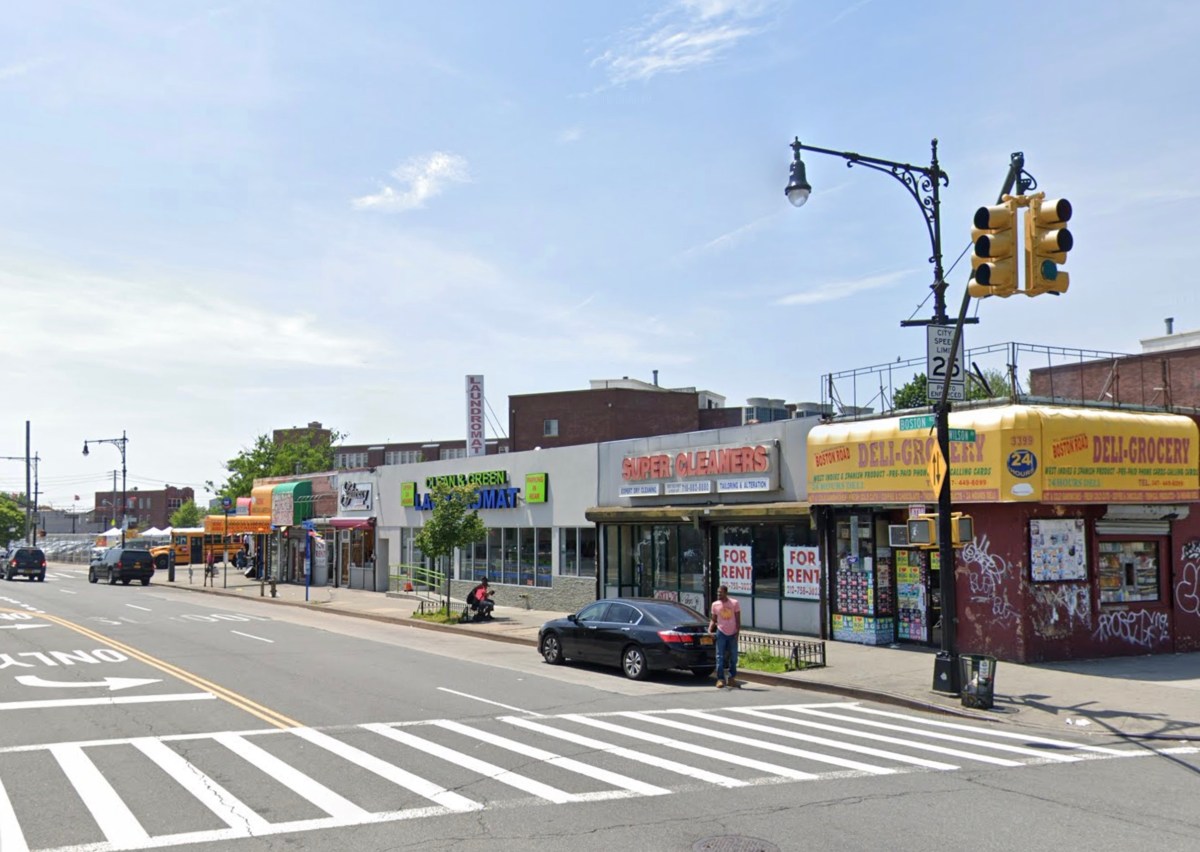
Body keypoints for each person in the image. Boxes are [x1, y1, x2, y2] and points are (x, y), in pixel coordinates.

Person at [709, 584, 741, 688]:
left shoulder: (734, 603)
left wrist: (737, 633)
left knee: (734, 657)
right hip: (721, 632)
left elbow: (738, 620)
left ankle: (732, 678)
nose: (718, 594)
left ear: (726, 593)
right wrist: (710, 630)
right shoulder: (715, 604)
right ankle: (720, 679)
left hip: (732, 633)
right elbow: (713, 619)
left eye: (720, 592)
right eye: (718, 592)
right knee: (720, 657)